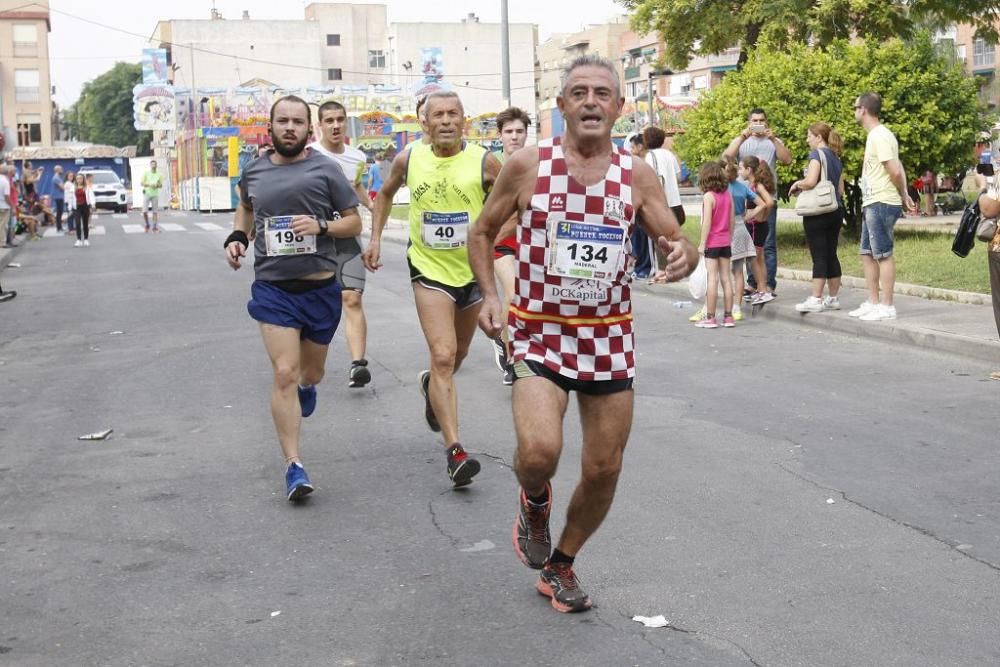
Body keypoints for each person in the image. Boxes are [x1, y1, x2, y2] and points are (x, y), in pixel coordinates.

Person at [468, 55, 697, 613]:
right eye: (579, 92)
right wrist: (491, 297)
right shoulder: (526, 165)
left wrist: (684, 256)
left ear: (619, 107)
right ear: (562, 106)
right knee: (540, 451)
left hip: (609, 336)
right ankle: (534, 499)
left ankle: (562, 563)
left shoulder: (636, 175)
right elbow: (482, 231)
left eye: (602, 93)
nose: (591, 101)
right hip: (539, 331)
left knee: (604, 467)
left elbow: (674, 239)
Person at [223, 95, 362, 501]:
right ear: (271, 127)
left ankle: (309, 386)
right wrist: (237, 237)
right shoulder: (255, 171)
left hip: (320, 287)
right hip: (274, 288)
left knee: (310, 373)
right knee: (284, 371)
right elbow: (246, 208)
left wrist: (320, 226)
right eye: (282, 121)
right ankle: (294, 466)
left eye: (297, 121)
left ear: (308, 129)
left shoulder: (326, 169)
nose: (289, 127)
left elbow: (353, 219)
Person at [362, 90, 502, 487]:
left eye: (452, 114)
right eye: (437, 115)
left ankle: (431, 387)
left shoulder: (483, 161)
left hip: (473, 272)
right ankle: (455, 450)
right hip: (429, 268)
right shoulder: (410, 159)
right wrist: (374, 239)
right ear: (423, 122)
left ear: (464, 121)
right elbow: (385, 193)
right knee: (442, 356)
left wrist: (496, 240)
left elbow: (514, 203)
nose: (445, 121)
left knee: (456, 355)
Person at [309, 100, 376, 388]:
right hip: (314, 240)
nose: (335, 125)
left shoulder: (356, 157)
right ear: (320, 126)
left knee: (352, 297)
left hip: (348, 236)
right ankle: (306, 362)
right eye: (329, 120)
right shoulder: (309, 155)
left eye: (340, 119)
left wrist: (372, 207)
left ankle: (358, 364)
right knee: (315, 303)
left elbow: (356, 184)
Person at [849, 92, 917, 322]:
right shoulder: (876, 136)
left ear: (864, 110)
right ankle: (874, 301)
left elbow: (895, 170)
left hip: (881, 201)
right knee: (867, 253)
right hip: (872, 201)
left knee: (883, 254)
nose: (854, 111)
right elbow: (899, 167)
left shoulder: (880, 135)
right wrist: (906, 192)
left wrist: (902, 193)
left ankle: (887, 306)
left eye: (855, 107)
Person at [722, 108, 792, 297]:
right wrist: (741, 136)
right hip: (747, 197)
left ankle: (768, 284)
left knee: (767, 243)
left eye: (762, 120)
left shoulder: (772, 142)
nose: (758, 123)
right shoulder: (744, 142)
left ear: (767, 122)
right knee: (749, 243)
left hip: (768, 197)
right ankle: (753, 283)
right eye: (755, 120)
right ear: (749, 122)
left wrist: (774, 139)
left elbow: (787, 159)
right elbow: (727, 157)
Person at [489, 106, 532, 385]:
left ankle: (523, 347)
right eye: (509, 132)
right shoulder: (491, 165)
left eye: (519, 131)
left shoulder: (539, 163)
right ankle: (511, 358)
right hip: (501, 242)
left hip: (534, 242)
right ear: (500, 135)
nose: (514, 137)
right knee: (514, 295)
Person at [789, 122, 846, 313]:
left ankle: (816, 298)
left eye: (809, 136)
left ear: (818, 137)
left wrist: (798, 184)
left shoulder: (816, 155)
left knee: (819, 255)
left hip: (817, 212)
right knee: (831, 253)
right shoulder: (836, 157)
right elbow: (840, 189)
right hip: (835, 209)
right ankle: (833, 298)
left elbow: (811, 181)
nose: (807, 140)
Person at [693, 161, 736, 328]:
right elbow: (732, 220)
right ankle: (728, 316)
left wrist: (702, 243)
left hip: (712, 241)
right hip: (725, 241)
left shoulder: (708, 196)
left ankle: (710, 317)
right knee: (726, 278)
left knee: (713, 279)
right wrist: (729, 237)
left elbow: (707, 223)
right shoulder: (728, 195)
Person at [740, 155, 775, 304]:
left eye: (741, 168)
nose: (739, 172)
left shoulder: (757, 186)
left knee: (755, 259)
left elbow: (769, 202)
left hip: (756, 227)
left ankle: (762, 290)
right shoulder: (751, 185)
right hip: (755, 226)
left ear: (749, 169)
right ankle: (762, 289)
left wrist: (757, 216)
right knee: (758, 259)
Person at [73, 173, 94, 248]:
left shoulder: (87, 187)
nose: (79, 180)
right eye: (77, 178)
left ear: (83, 179)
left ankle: (86, 239)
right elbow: (70, 197)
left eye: (80, 178)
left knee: (85, 224)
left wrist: (92, 205)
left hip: (85, 206)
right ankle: (78, 240)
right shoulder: (73, 187)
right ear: (76, 179)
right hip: (76, 207)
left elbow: (91, 196)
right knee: (77, 223)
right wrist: (69, 206)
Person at [142, 160, 164, 232]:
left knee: (155, 212)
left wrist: (157, 185)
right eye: (152, 164)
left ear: (156, 166)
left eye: (154, 164)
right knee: (144, 211)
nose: (153, 166)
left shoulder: (159, 175)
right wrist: (149, 184)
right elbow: (142, 183)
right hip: (147, 193)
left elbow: (161, 185)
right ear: (150, 166)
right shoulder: (146, 173)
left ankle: (154, 227)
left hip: (155, 194)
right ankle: (147, 224)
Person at [51, 166, 66, 233]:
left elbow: (62, 187)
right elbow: (62, 187)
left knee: (60, 212)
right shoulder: (56, 178)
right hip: (58, 197)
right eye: (61, 169)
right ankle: (59, 228)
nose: (62, 170)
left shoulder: (58, 178)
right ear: (57, 170)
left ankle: (60, 227)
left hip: (60, 196)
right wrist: (63, 187)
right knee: (59, 212)